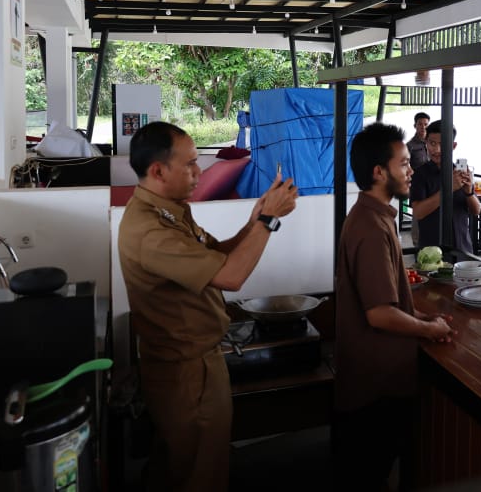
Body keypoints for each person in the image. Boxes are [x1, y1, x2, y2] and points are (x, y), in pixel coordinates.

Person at [118, 121, 298, 492]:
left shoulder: (171, 211)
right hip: (185, 372)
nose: (199, 172)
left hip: (195, 364)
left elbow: (216, 257)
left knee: (189, 464)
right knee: (199, 473)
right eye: (190, 164)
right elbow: (231, 276)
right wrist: (268, 220)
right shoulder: (150, 230)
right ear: (158, 170)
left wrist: (254, 220)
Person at [334, 122, 454, 491]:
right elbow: (379, 314)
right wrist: (429, 330)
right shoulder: (371, 226)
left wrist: (421, 315)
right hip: (376, 386)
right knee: (371, 475)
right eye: (403, 163)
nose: (410, 169)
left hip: (375, 379)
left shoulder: (375, 216)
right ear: (378, 172)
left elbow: (390, 300)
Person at [409, 119, 481, 253]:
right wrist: (448, 190)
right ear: (426, 143)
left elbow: (476, 210)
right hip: (431, 251)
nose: (436, 150)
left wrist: (469, 192)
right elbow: (418, 212)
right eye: (432, 143)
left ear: (453, 146)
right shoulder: (420, 174)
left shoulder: (460, 173)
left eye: (443, 144)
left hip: (462, 248)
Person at [406, 111, 430, 247]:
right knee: (417, 217)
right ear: (415, 125)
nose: (423, 127)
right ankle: (417, 247)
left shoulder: (433, 144)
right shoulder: (410, 146)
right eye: (420, 124)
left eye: (426, 124)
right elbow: (405, 167)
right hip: (417, 187)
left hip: (432, 186)